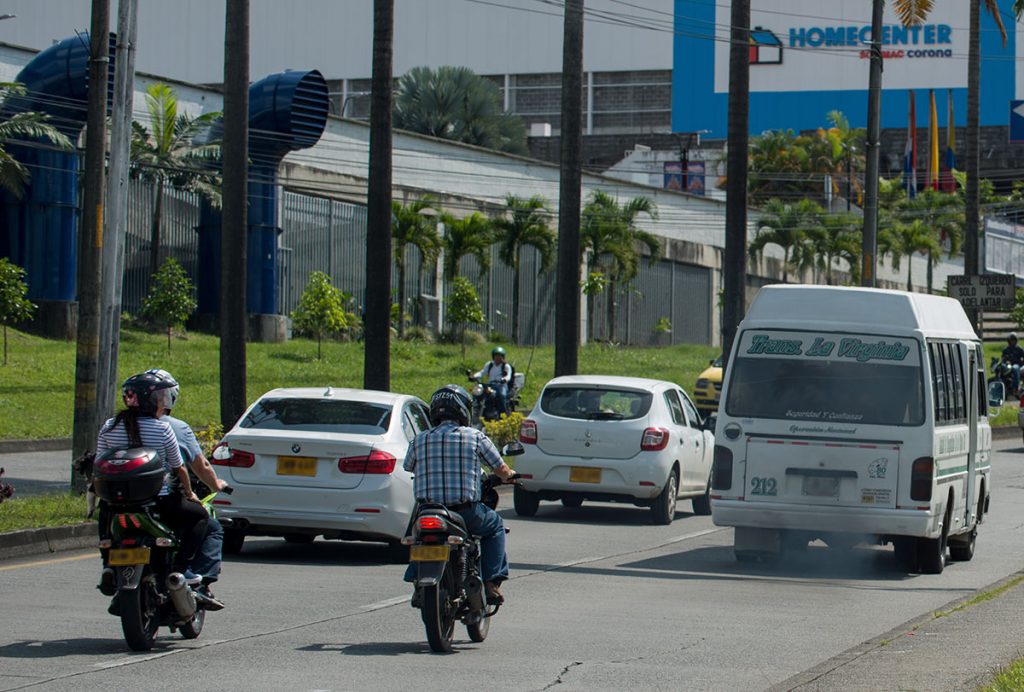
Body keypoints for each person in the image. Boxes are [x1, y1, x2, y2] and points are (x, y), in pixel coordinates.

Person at [96, 371, 208, 596]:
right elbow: (179, 467)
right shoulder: (162, 428)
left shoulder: (109, 426)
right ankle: (179, 570)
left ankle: (108, 564)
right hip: (159, 501)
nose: (163, 401)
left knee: (105, 517)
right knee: (200, 517)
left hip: (116, 502)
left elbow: (99, 463)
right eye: (160, 397)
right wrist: (189, 493)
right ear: (150, 400)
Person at [403, 385, 517, 603]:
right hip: (465, 513)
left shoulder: (419, 440)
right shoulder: (475, 437)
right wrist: (510, 474)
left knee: (419, 537)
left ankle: (416, 579)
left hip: (428, 512)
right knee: (495, 527)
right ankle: (491, 583)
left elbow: (409, 467)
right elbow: (501, 470)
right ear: (464, 410)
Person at [145, 368, 228, 611]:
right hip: (164, 501)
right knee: (210, 525)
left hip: (126, 502)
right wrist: (216, 485)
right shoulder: (172, 427)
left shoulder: (116, 424)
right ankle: (195, 578)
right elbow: (195, 465)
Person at [473, 346, 512, 417]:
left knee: (502, 396)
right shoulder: (490, 364)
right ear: (493, 356)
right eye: (496, 356)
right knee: (477, 392)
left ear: (503, 357)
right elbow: (482, 372)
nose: (497, 358)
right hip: (490, 385)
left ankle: (503, 415)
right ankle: (476, 409)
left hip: (500, 386)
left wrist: (504, 379)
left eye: (499, 356)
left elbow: (508, 376)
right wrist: (475, 376)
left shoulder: (506, 366)